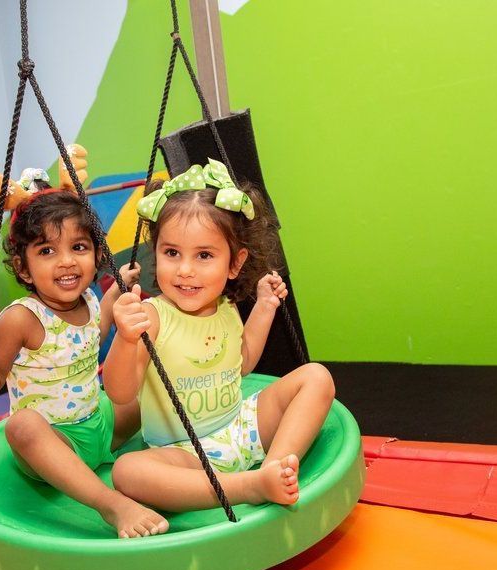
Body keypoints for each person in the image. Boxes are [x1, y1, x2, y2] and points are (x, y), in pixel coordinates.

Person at [103, 158, 335, 513]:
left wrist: (264, 307)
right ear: (157, 253)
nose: (184, 270)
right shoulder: (153, 316)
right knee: (129, 471)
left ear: (235, 263)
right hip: (183, 454)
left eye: (204, 255)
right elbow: (120, 393)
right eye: (171, 253)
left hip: (241, 426)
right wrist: (125, 338)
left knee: (317, 378)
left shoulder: (226, 307)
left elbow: (240, 364)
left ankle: (276, 465)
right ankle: (248, 486)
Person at [0, 183, 168, 538]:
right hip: (55, 443)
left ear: (95, 254)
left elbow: (94, 334)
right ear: (23, 269)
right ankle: (111, 504)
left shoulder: (89, 297)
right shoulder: (23, 318)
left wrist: (119, 287)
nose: (67, 260)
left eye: (78, 247)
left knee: (151, 380)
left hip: (101, 425)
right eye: (46, 251)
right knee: (22, 426)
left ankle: (188, 450)